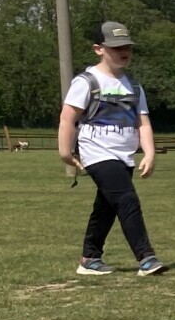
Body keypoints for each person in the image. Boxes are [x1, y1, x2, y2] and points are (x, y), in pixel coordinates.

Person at [58, 21, 164, 276]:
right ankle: (146, 257)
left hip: (124, 155)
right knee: (127, 198)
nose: (123, 52)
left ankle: (90, 258)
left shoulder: (134, 86)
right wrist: (65, 153)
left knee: (106, 206)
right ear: (99, 49)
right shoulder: (86, 82)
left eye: (127, 47)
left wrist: (149, 153)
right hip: (96, 152)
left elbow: (143, 123)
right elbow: (67, 118)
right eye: (116, 47)